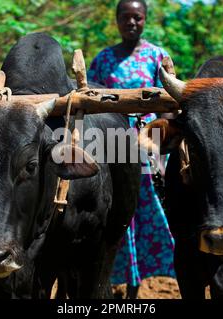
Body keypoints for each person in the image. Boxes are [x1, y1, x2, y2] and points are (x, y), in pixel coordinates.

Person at [87, 0, 176, 299]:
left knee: (143, 210)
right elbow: (88, 104)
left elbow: (169, 108)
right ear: (116, 20)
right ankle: (107, 277)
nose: (132, 23)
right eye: (125, 17)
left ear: (145, 20)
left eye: (137, 17)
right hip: (109, 146)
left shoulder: (157, 57)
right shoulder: (102, 60)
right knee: (109, 211)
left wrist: (162, 153)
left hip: (146, 148)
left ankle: (139, 283)